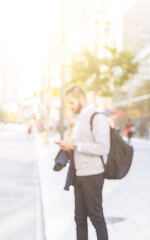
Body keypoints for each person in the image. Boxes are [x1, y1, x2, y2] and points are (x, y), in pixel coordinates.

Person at [56, 85, 110, 240]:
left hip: (93, 175)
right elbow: (81, 143)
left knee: (96, 218)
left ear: (81, 98)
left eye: (72, 102)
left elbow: (103, 147)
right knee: (79, 219)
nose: (70, 106)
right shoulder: (80, 118)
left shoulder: (97, 117)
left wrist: (75, 145)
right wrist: (69, 144)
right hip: (79, 175)